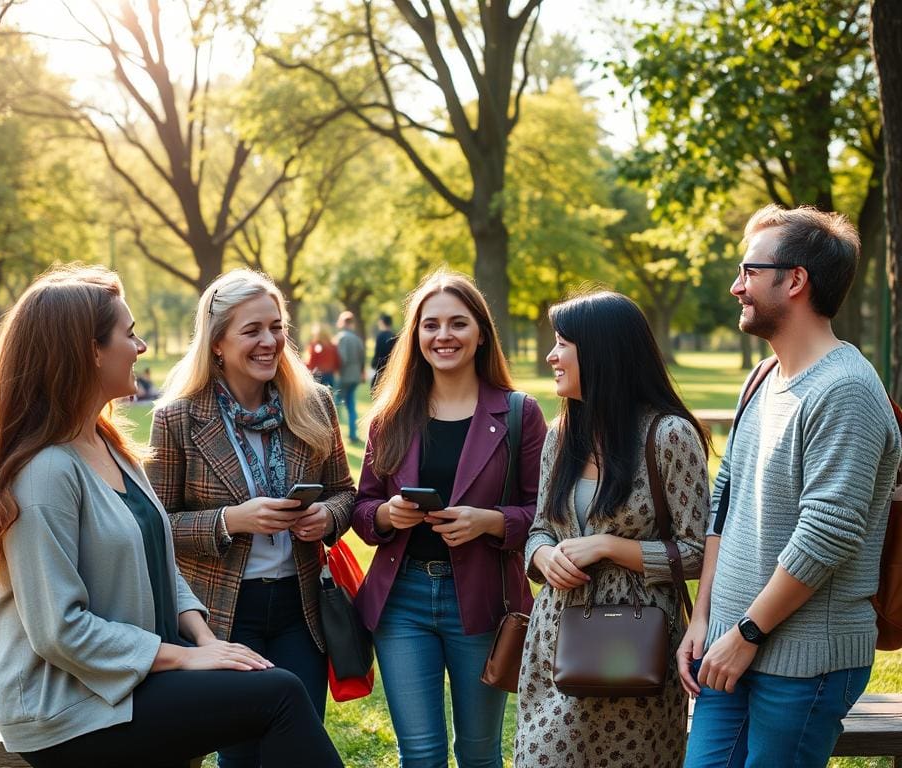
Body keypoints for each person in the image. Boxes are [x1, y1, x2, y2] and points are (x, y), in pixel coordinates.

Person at [0, 265, 342, 768]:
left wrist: (203, 637)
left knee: (271, 688)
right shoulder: (44, 471)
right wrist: (185, 657)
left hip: (132, 681)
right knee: (279, 694)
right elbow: (59, 631)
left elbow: (163, 560)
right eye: (129, 334)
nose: (143, 347)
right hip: (68, 707)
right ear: (89, 351)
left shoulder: (110, 446)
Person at [681, 205, 901, 768]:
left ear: (795, 280)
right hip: (727, 648)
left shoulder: (846, 390)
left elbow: (826, 533)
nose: (736, 287)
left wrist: (747, 633)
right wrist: (705, 620)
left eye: (749, 271)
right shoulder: (763, 376)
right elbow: (724, 501)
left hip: (806, 660)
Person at [147, 269, 355, 768]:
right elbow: (154, 529)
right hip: (221, 614)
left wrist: (325, 517)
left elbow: (346, 494)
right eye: (253, 331)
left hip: (300, 610)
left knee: (297, 745)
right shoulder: (177, 417)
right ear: (217, 342)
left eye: (277, 327)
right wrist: (230, 521)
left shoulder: (315, 405)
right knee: (241, 756)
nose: (270, 342)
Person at [352, 270, 547, 768]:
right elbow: (363, 507)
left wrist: (490, 521)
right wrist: (388, 515)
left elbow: (545, 513)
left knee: (480, 752)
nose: (444, 336)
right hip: (402, 602)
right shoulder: (390, 416)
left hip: (482, 600)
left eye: (458, 323)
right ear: (415, 336)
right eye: (430, 324)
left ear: (480, 332)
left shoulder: (520, 414)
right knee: (419, 753)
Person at [515, 290, 709, 768]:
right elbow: (540, 527)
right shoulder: (561, 437)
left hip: (635, 644)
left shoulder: (668, 435)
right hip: (556, 640)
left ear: (602, 352)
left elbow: (700, 552)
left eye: (563, 344)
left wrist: (608, 546)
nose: (551, 356)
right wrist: (543, 557)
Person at [334, 310, 365, 443]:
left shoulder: (341, 338)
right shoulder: (357, 339)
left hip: (344, 376)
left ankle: (334, 436)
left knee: (335, 405)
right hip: (355, 376)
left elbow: (342, 358)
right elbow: (362, 358)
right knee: (351, 405)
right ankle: (352, 434)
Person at [304, 322, 341, 389]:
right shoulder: (332, 346)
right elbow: (337, 360)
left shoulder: (315, 345)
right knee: (329, 395)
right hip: (330, 374)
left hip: (318, 375)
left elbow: (312, 361)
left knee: (318, 396)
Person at [370, 313, 397, 392]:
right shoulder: (394, 335)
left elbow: (377, 352)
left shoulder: (380, 336)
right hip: (392, 367)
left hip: (381, 366)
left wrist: (373, 364)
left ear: (382, 322)